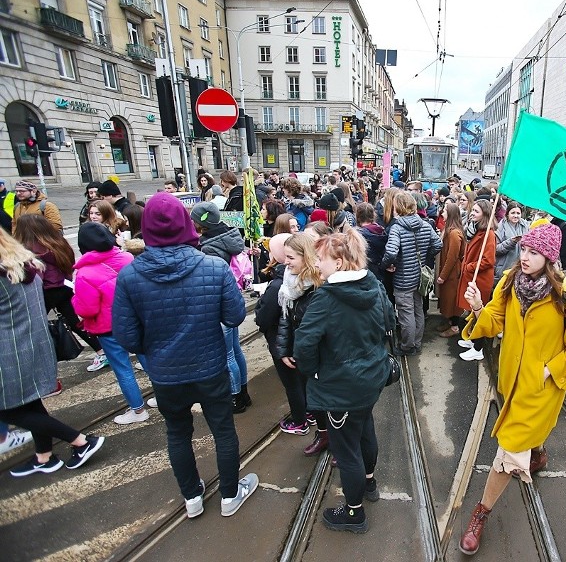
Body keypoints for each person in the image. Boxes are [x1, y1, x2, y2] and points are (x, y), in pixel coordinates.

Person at [112, 192, 257, 518]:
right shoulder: (214, 266)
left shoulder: (130, 275)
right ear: (185, 224)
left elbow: (127, 337)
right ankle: (230, 496)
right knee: (223, 430)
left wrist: (156, 345)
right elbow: (234, 316)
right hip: (210, 367)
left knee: (177, 433)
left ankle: (192, 498)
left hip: (166, 373)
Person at [457, 223, 566, 555]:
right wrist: (477, 307)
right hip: (509, 379)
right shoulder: (509, 283)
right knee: (529, 435)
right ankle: (539, 452)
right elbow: (492, 322)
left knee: (510, 448)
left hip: (542, 387)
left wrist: (549, 370)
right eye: (525, 250)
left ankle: (481, 512)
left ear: (549, 258)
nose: (526, 257)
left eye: (535, 252)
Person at [293, 229, 392, 534]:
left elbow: (304, 345)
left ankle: (353, 512)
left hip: (341, 386)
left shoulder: (326, 298)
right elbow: (389, 322)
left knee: (346, 450)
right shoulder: (372, 284)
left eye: (321, 259)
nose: (317, 264)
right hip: (371, 378)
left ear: (338, 262)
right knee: (364, 430)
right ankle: (369, 481)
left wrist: (315, 372)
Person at [0, 228, 105, 477]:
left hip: (8, 352)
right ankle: (44, 457)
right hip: (33, 344)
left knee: (8, 409)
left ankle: (80, 440)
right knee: (31, 403)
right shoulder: (23, 262)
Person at [71, 223, 149, 425]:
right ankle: (166, 396)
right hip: (135, 319)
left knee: (123, 368)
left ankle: (139, 411)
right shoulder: (127, 258)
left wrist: (74, 300)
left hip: (108, 327)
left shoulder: (85, 273)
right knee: (147, 358)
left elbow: (86, 309)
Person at [14, 214, 108, 372]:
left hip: (46, 290)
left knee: (34, 327)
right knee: (76, 322)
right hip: (64, 286)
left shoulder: (30, 248)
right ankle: (101, 351)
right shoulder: (56, 242)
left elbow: (33, 275)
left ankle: (38, 366)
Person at [190, 202, 251, 413]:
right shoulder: (229, 234)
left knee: (228, 355)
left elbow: (211, 280)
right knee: (235, 350)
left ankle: (236, 397)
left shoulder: (208, 246)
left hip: (218, 304)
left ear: (199, 223)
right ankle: (244, 392)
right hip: (232, 299)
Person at [268, 233, 326, 439]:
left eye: (291, 257)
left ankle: (335, 442)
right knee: (314, 400)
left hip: (322, 358)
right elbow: (286, 318)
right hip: (303, 355)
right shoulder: (289, 282)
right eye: (285, 256)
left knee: (326, 402)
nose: (285, 262)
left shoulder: (321, 285)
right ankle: (323, 434)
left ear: (306, 257)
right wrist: (283, 350)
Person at [381, 193, 443, 355]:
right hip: (419, 276)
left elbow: (391, 252)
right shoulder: (425, 225)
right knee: (418, 309)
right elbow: (438, 244)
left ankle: (407, 346)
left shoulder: (397, 227)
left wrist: (386, 265)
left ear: (398, 208)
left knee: (405, 312)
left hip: (403, 278)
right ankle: (416, 342)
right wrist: (425, 258)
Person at [456, 199, 497, 361]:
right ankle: (473, 339)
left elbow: (488, 261)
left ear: (485, 215)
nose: (472, 213)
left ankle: (478, 348)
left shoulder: (489, 234)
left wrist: (468, 267)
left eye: (476, 211)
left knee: (479, 313)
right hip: (472, 278)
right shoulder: (475, 230)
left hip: (479, 280)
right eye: (472, 210)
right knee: (473, 312)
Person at [437, 202, 466, 337]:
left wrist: (442, 275)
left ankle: (454, 327)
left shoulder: (454, 233)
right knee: (447, 300)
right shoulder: (449, 230)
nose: (442, 213)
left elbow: (452, 257)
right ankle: (449, 322)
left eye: (444, 211)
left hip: (453, 274)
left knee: (452, 301)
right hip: (450, 273)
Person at [493, 202, 529, 289]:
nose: (516, 216)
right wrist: (511, 242)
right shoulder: (500, 227)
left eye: (518, 213)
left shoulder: (525, 225)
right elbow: (496, 249)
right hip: (504, 268)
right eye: (513, 213)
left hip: (520, 268)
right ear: (507, 213)